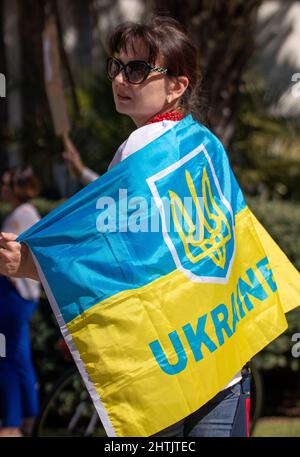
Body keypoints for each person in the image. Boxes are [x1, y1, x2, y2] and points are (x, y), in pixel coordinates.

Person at [0, 16, 250, 437]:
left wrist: (31, 262)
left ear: (177, 85)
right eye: (117, 66)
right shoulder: (207, 144)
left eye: (137, 70)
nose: (121, 78)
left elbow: (112, 252)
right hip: (224, 351)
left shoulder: (138, 147)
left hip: (167, 365)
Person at [0, 166, 41, 437]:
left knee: (6, 357)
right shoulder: (23, 213)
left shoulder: (22, 214)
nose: (2, 188)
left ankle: (12, 423)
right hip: (16, 295)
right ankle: (28, 416)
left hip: (15, 296)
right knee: (19, 356)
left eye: (6, 183)